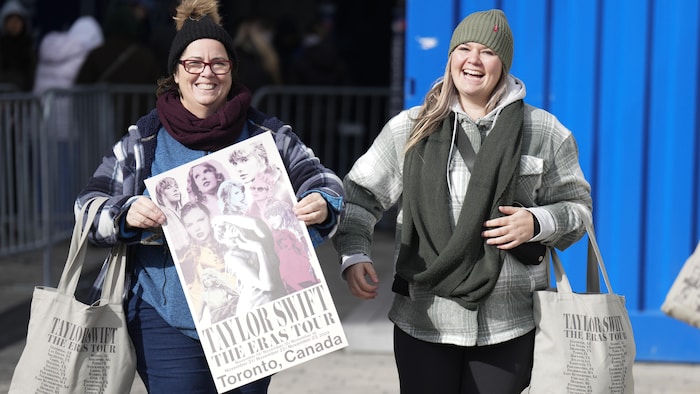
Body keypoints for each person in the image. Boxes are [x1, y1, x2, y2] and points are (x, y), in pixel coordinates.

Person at [75, 0, 344, 392]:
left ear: (232, 71)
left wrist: (320, 200)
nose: (207, 73)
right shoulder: (145, 141)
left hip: (254, 321)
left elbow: (322, 178)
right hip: (165, 320)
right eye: (194, 64)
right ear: (176, 73)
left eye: (219, 63)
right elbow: (87, 208)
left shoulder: (265, 135)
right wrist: (126, 213)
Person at [332, 9, 592, 394]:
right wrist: (354, 254)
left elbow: (579, 209)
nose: (472, 60)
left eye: (486, 52)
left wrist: (537, 222)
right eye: (463, 48)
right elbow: (359, 195)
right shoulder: (411, 127)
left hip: (509, 319)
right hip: (425, 315)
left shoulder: (543, 131)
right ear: (451, 56)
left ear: (502, 64)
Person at [0, 0, 36, 92]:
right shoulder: (2, 45)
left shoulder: (29, 45)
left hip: (24, 97)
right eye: (10, 21)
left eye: (17, 20)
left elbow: (32, 74)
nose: (14, 24)